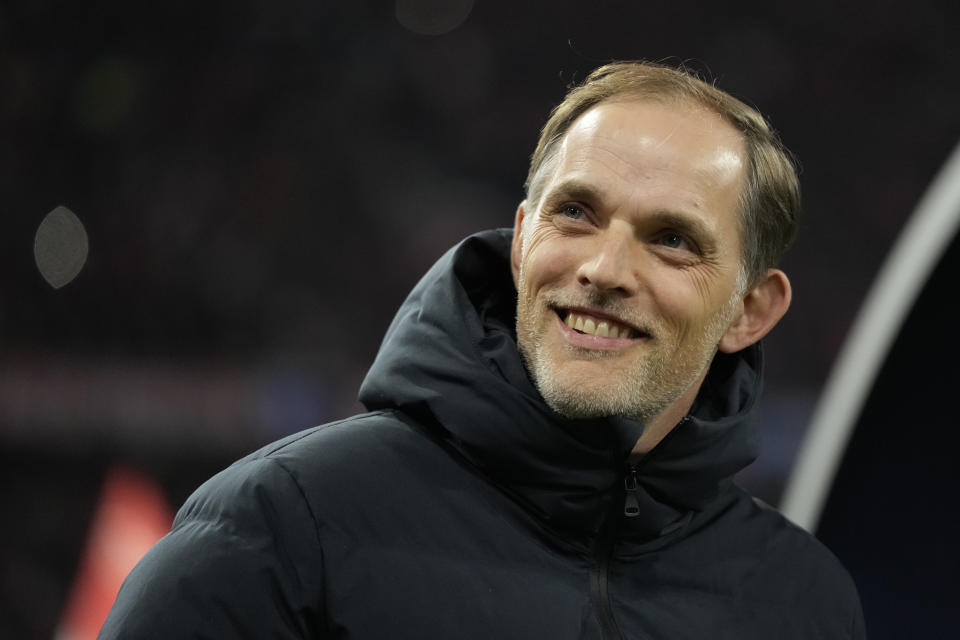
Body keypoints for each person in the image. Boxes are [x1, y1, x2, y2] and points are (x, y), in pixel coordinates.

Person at [100, 61, 865, 639]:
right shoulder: (281, 531)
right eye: (576, 214)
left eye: (671, 240)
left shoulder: (802, 602)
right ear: (524, 236)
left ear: (751, 310)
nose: (604, 269)